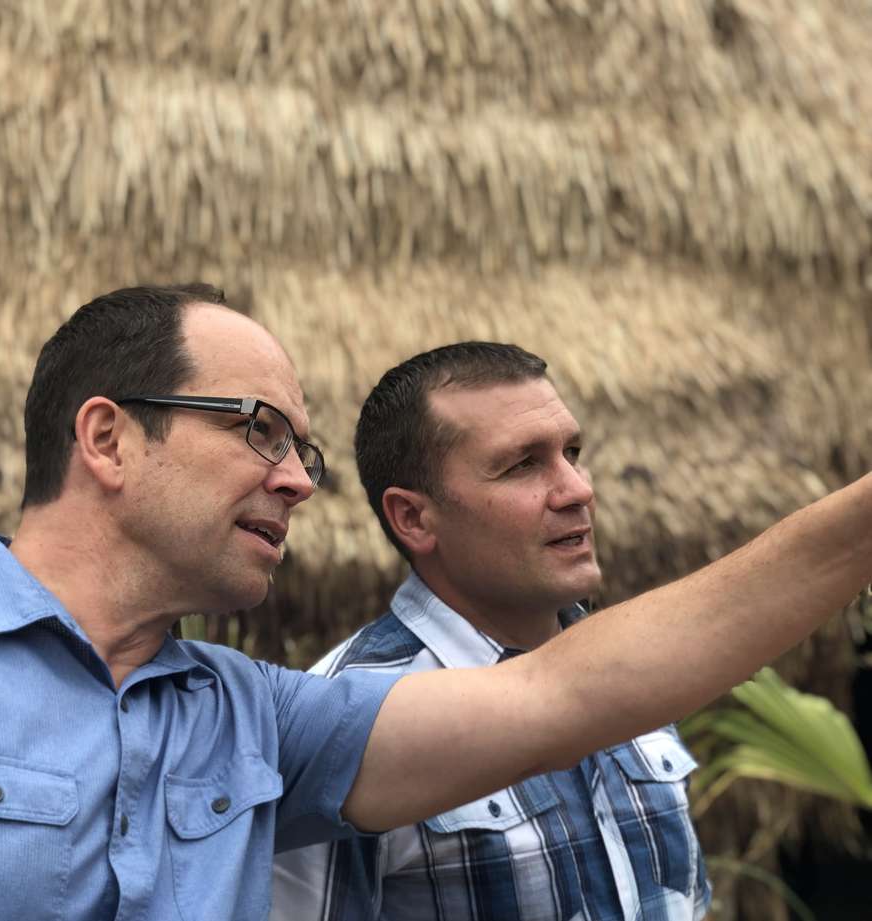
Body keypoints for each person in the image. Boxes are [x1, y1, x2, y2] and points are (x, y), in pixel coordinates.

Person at [0, 285, 870, 921]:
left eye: (305, 450)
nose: (296, 478)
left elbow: (572, 689)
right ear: (110, 437)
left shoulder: (262, 723)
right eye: (258, 431)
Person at [273, 342, 710, 921]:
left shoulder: (630, 669)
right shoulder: (349, 722)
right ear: (414, 518)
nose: (578, 489)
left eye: (571, 453)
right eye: (523, 464)